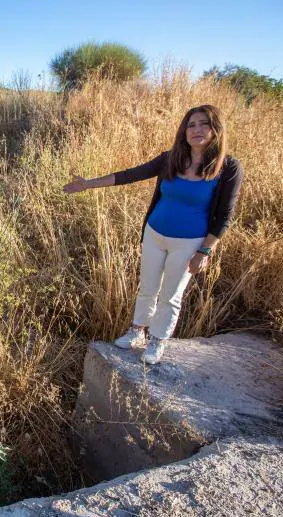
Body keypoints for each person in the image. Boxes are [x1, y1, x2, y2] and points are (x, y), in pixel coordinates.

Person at [63, 104, 244, 364]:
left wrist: (205, 250)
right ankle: (137, 332)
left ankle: (158, 341)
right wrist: (87, 184)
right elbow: (131, 175)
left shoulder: (228, 168)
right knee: (147, 287)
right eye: (191, 125)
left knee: (171, 294)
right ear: (184, 131)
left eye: (204, 123)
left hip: (189, 244)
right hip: (154, 234)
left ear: (216, 129)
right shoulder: (172, 158)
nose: (197, 130)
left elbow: (225, 216)